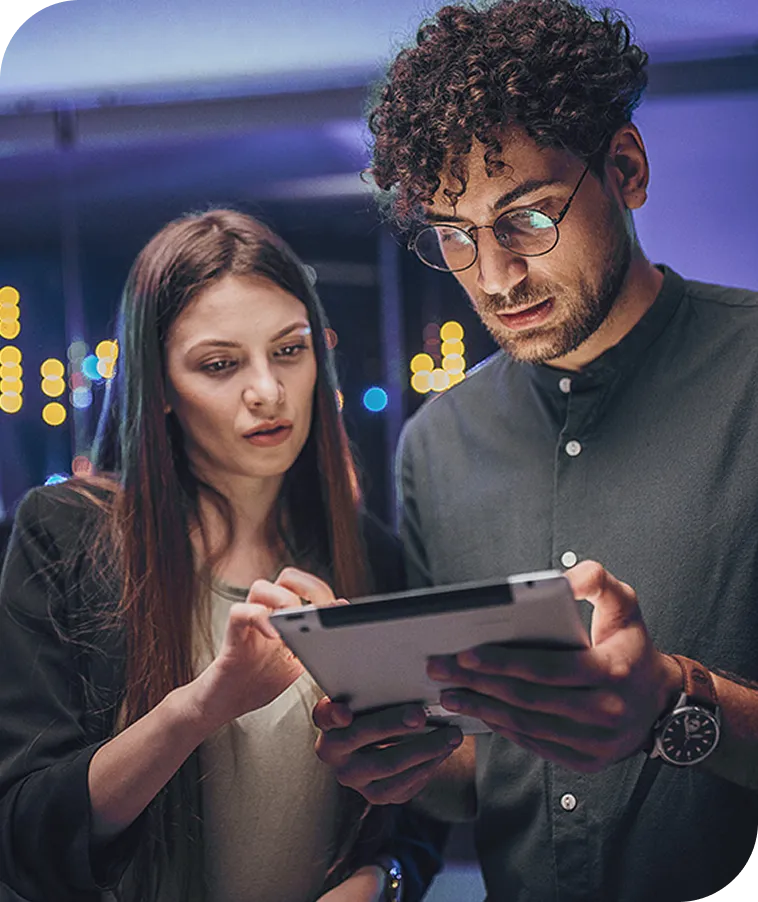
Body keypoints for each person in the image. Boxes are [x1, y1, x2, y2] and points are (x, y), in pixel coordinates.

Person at [312, 2, 758, 900]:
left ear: (625, 169)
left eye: (528, 218)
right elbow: (477, 771)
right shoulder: (434, 445)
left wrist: (675, 701)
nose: (495, 276)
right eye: (456, 234)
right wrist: (393, 757)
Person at [0, 209, 445, 902]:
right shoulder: (64, 538)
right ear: (163, 389)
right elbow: (25, 836)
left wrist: (378, 883)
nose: (267, 390)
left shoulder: (368, 555)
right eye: (219, 364)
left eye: (290, 351)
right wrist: (201, 707)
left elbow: (417, 817)